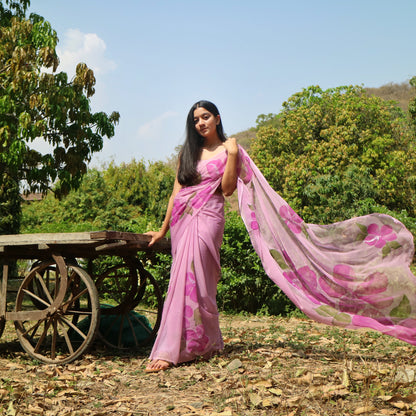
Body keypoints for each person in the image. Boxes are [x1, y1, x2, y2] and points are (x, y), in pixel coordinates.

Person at [145, 100, 416, 372]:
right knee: (182, 278)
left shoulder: (230, 150)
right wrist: (163, 229)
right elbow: (176, 193)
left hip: (208, 217)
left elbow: (227, 189)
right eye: (195, 120)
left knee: (201, 279)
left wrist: (233, 155)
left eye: (205, 117)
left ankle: (191, 345)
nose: (200, 123)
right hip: (182, 220)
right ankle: (196, 342)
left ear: (217, 118)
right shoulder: (188, 153)